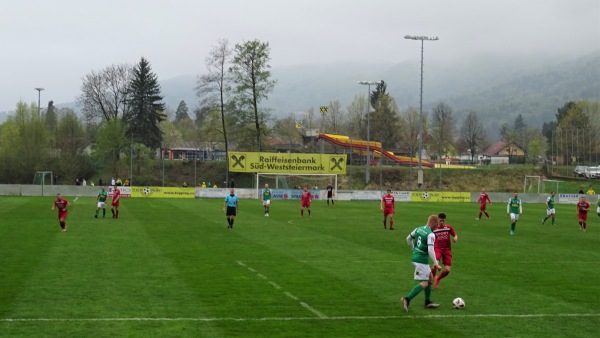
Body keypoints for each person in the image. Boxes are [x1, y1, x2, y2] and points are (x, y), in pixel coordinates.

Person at [400, 214, 442, 312]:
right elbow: (431, 250)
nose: (436, 228)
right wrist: (436, 263)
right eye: (436, 226)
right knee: (424, 283)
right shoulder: (430, 234)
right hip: (421, 261)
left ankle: (427, 302)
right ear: (433, 222)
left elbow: (408, 239)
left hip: (416, 258)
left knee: (430, 278)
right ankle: (407, 299)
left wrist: (413, 249)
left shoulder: (418, 229)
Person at [431, 212, 457, 288]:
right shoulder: (434, 229)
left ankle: (438, 278)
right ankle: (431, 279)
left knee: (448, 270)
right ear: (437, 220)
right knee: (435, 264)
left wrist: (455, 238)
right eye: (440, 220)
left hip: (447, 250)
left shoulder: (448, 227)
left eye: (443, 221)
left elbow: (455, 235)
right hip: (437, 249)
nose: (442, 222)